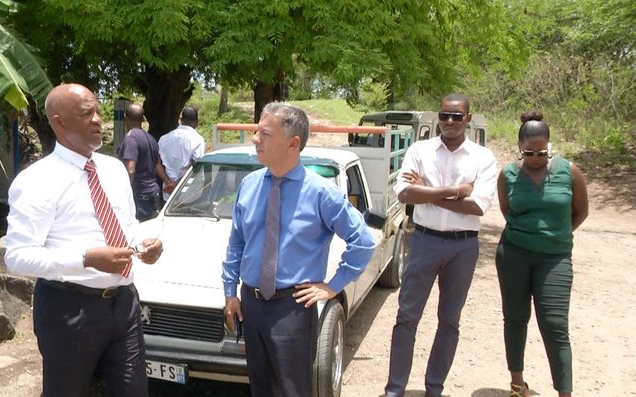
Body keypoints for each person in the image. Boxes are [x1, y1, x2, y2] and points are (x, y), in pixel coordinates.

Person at [4, 83, 163, 397]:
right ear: (59, 122)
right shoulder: (37, 180)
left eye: (98, 111)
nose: (96, 120)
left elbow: (127, 225)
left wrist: (146, 244)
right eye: (86, 113)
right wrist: (85, 259)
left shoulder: (114, 169)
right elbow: (16, 256)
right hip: (69, 309)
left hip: (124, 304)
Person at [222, 102, 377, 397]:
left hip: (291, 309)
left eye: (265, 133)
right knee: (259, 387)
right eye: (256, 131)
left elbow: (363, 241)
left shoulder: (320, 192)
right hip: (251, 305)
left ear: (293, 143)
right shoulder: (250, 185)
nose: (255, 138)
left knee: (293, 390)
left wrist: (333, 286)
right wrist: (230, 291)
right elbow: (237, 242)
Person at [384, 93, 498, 397]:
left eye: (456, 116)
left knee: (449, 320)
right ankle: (395, 389)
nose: (449, 121)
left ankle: (434, 388)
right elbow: (405, 195)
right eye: (444, 115)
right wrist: (456, 190)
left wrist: (428, 192)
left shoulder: (482, 158)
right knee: (407, 316)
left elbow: (478, 207)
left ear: (468, 120)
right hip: (424, 240)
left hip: (463, 248)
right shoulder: (419, 150)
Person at [495, 111, 588, 397]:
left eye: (542, 151)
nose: (536, 157)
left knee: (555, 325)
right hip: (513, 255)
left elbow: (581, 212)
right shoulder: (508, 174)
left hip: (555, 258)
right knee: (515, 318)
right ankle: (516, 384)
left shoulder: (569, 171)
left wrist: (555, 236)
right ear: (519, 148)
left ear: (550, 145)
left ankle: (564, 392)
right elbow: (507, 212)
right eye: (529, 152)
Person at [117, 103, 162, 220]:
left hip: (139, 194)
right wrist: (167, 181)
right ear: (143, 119)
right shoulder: (151, 138)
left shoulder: (131, 138)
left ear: (125, 117)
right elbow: (157, 165)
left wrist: (123, 191)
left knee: (138, 231)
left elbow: (130, 170)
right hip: (153, 191)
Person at [156, 105, 205, 200]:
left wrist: (169, 182)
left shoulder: (164, 138)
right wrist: (177, 184)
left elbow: (156, 162)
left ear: (181, 120)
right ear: (197, 122)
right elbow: (196, 165)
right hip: (190, 193)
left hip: (168, 191)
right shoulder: (197, 140)